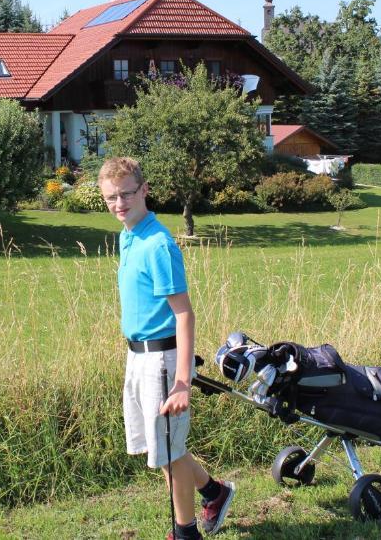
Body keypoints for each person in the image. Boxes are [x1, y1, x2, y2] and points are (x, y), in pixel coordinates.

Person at [98, 157, 235, 539]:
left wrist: (181, 383)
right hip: (138, 355)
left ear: (144, 191)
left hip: (163, 360)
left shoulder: (158, 244)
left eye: (127, 193)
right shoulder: (128, 236)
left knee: (170, 455)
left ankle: (185, 532)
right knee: (163, 448)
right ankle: (214, 491)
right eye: (111, 197)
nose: (119, 203)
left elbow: (184, 315)